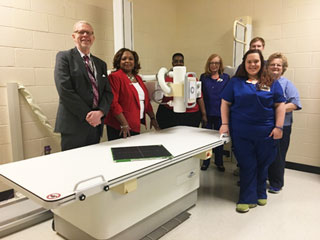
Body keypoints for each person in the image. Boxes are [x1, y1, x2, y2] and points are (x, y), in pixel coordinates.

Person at [219, 49, 285, 213]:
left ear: (262, 63)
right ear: (244, 63)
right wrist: (225, 123)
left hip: (266, 132)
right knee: (247, 164)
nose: (252, 64)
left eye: (256, 61)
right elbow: (225, 103)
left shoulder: (270, 82)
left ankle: (261, 192)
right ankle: (246, 198)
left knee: (263, 163)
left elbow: (280, 105)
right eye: (249, 61)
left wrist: (279, 127)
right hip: (242, 132)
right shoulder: (235, 82)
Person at [54, 20, 113, 151]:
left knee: (93, 163)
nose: (85, 35)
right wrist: (89, 115)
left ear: (93, 38)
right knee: (73, 166)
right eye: (81, 32)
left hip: (95, 125)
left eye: (89, 33)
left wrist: (101, 112)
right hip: (74, 125)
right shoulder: (64, 57)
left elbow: (108, 93)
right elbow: (65, 90)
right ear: (74, 36)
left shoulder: (100, 64)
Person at [105, 48, 160, 140]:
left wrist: (153, 118)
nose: (127, 61)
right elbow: (113, 103)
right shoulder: (115, 77)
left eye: (131, 59)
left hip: (134, 123)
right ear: (119, 62)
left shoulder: (137, 78)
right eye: (124, 59)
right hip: (120, 126)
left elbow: (145, 101)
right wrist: (124, 123)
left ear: (135, 62)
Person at [267, 53, 302, 193]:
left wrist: (278, 109)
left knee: (278, 155)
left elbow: (295, 104)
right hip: (265, 125)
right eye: (272, 64)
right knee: (264, 154)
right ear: (267, 67)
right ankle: (262, 178)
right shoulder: (263, 82)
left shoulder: (287, 84)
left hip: (283, 126)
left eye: (278, 65)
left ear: (283, 68)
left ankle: (276, 183)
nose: (275, 67)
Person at [156, 53, 207, 129]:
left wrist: (204, 114)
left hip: (190, 114)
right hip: (170, 113)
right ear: (172, 63)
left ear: (183, 63)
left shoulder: (191, 78)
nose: (178, 63)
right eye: (176, 61)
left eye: (181, 61)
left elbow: (199, 97)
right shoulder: (165, 79)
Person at [200, 54, 230, 172]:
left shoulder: (226, 78)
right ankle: (205, 162)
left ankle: (219, 162)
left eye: (217, 63)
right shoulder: (203, 77)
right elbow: (200, 95)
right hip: (207, 112)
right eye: (212, 63)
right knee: (206, 139)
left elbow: (228, 96)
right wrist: (203, 114)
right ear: (208, 64)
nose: (214, 65)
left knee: (219, 139)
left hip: (221, 114)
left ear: (220, 65)